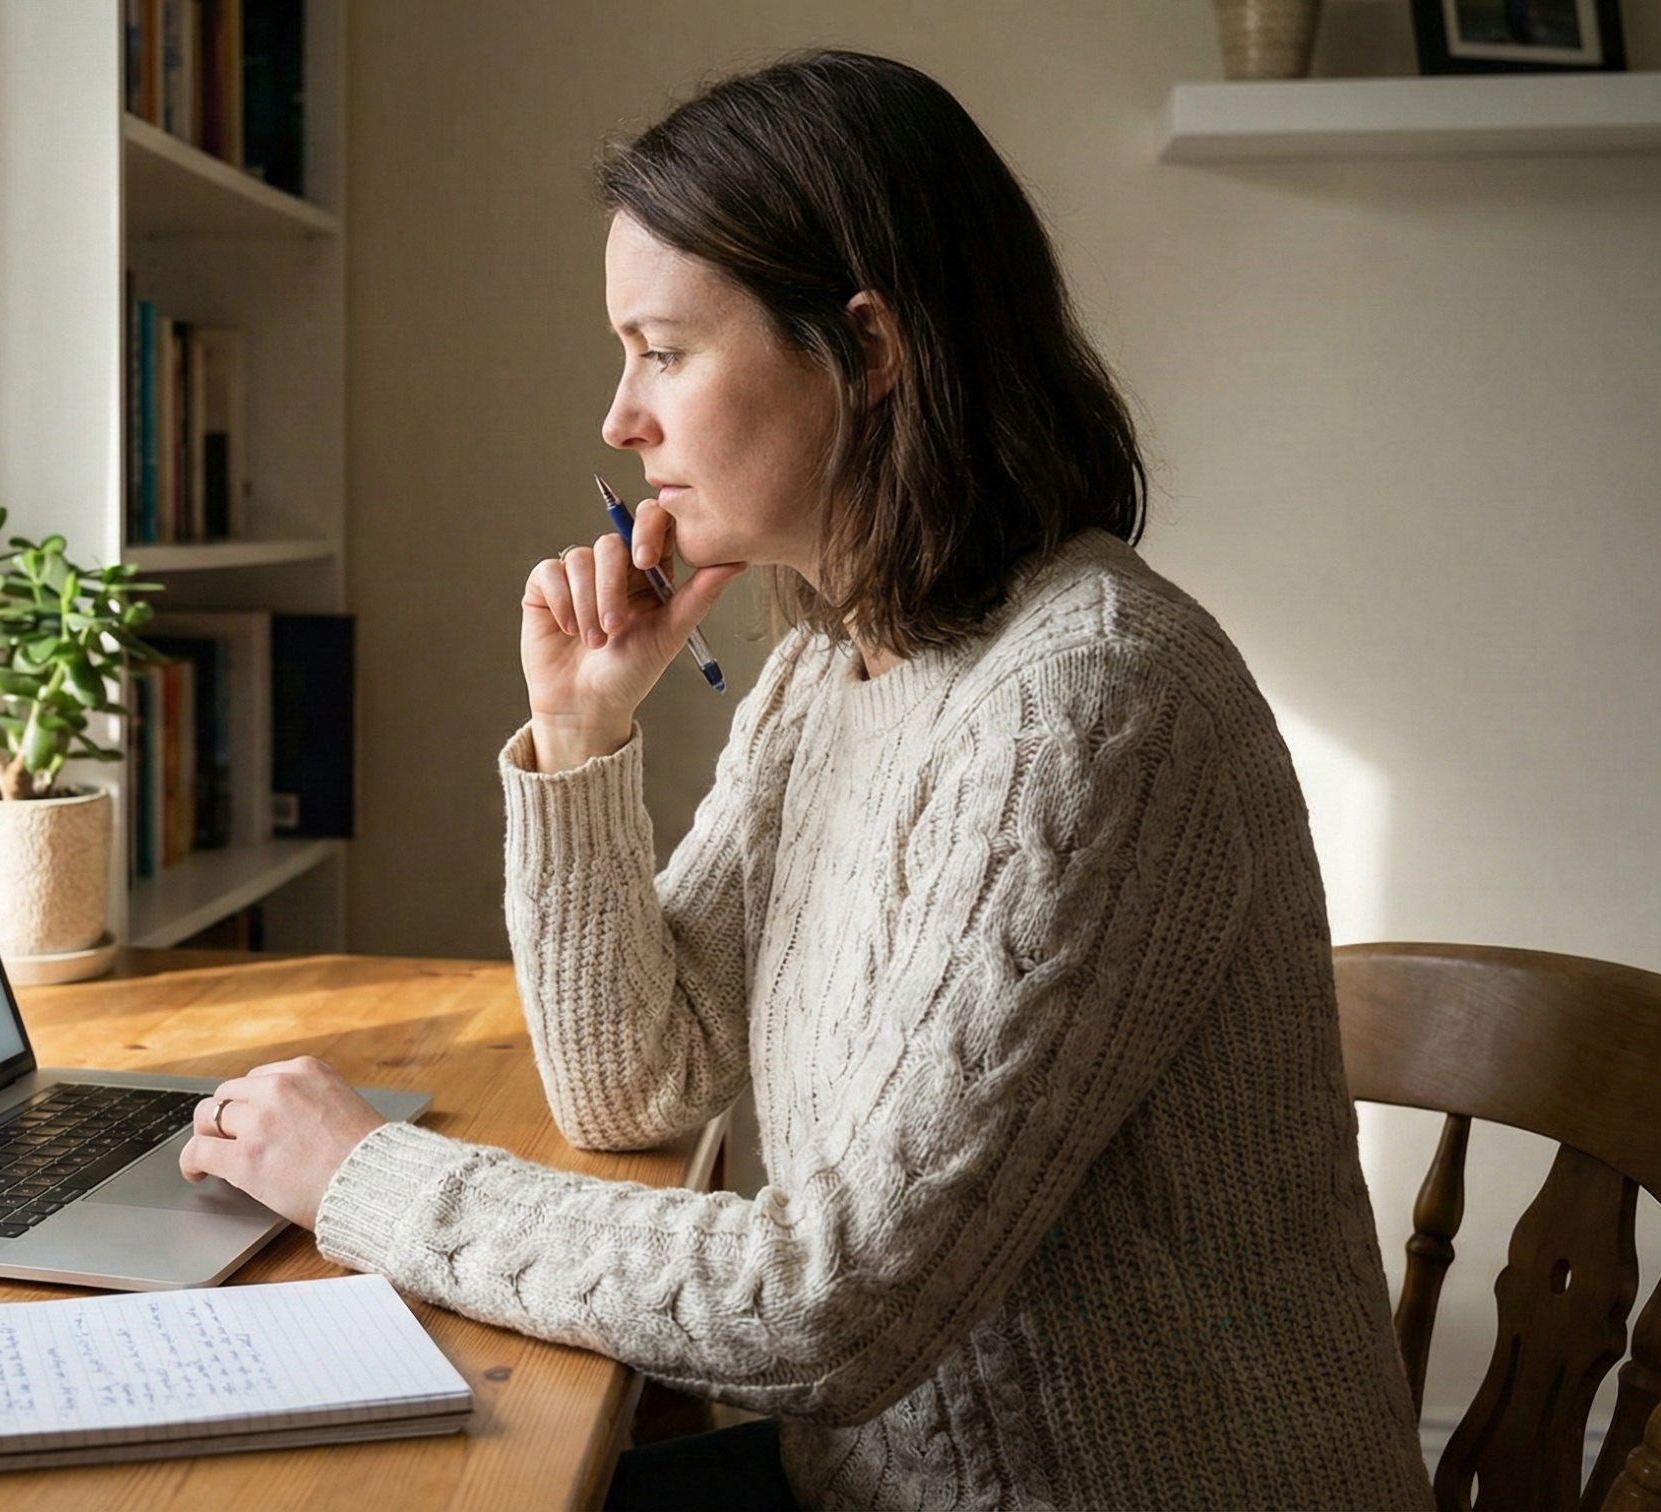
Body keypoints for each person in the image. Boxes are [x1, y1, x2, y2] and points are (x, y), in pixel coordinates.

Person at [177, 49, 1433, 1510]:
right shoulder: (838, 657)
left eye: (664, 349)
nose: (619, 419)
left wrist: (361, 1181)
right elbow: (636, 1081)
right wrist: (584, 740)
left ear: (870, 349)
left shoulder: (1093, 700)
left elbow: (829, 1309)